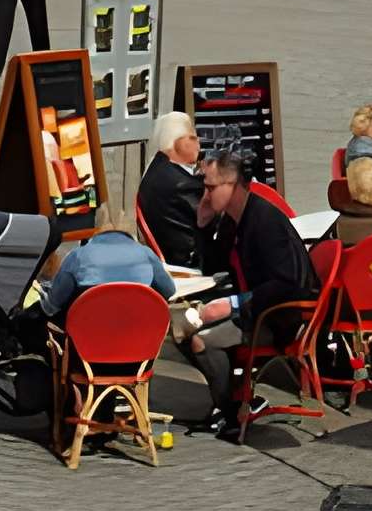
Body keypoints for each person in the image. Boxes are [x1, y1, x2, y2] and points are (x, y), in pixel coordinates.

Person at [176, 154, 318, 437]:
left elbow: (286, 283)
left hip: (277, 316)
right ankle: (235, 400)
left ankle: (232, 413)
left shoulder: (265, 221)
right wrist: (203, 227)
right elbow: (215, 266)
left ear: (234, 186)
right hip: (253, 309)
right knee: (179, 329)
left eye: (210, 187)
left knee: (202, 340)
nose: (205, 194)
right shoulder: (233, 219)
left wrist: (232, 305)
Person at [34, 224, 175, 323]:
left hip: (87, 344)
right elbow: (169, 290)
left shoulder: (77, 256)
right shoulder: (146, 253)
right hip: (139, 344)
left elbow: (51, 307)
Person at [138, 112, 206, 265]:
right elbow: (213, 220)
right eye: (193, 137)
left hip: (172, 254)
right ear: (177, 142)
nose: (198, 142)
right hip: (190, 261)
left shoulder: (156, 169)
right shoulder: (182, 185)